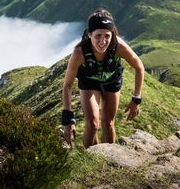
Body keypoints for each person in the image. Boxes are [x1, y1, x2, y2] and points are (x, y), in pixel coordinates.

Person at [61, 8, 145, 148]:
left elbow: (139, 67)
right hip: (89, 82)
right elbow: (67, 85)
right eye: (98, 36)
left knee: (108, 123)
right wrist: (68, 119)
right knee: (93, 124)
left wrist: (136, 99)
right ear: (89, 35)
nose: (103, 41)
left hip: (112, 81)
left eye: (107, 35)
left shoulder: (119, 46)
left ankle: (108, 158)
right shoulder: (79, 52)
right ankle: (90, 157)